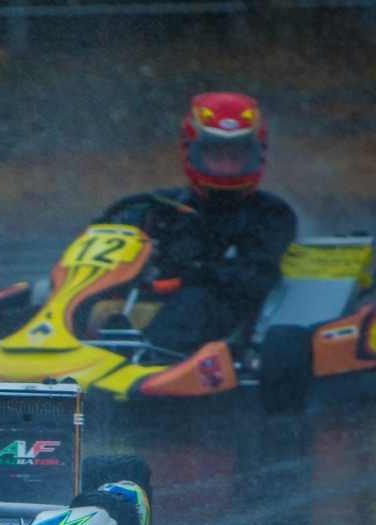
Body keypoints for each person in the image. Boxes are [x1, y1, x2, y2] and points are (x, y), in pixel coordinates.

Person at [97, 91, 298, 354]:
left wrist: (191, 275)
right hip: (145, 304)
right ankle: (47, 351)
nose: (225, 167)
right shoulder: (157, 206)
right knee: (59, 297)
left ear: (256, 155)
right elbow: (103, 246)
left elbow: (256, 276)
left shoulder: (269, 213)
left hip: (227, 320)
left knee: (193, 303)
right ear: (191, 151)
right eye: (216, 156)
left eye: (235, 157)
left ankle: (146, 362)